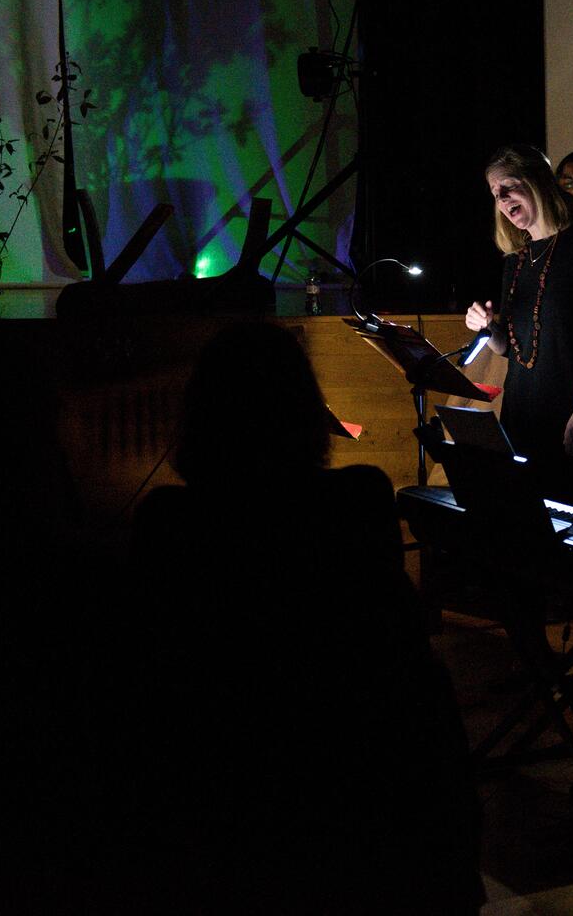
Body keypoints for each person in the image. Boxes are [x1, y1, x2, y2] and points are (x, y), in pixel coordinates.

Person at [120, 322, 482, 912]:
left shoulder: (168, 522)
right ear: (305, 409)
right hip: (355, 781)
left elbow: (152, 674)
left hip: (221, 789)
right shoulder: (360, 499)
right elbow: (400, 650)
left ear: (201, 415)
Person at [466, 144, 573, 511]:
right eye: (495, 193)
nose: (502, 199)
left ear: (537, 181)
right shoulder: (516, 261)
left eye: (508, 186)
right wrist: (488, 329)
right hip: (524, 414)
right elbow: (511, 348)